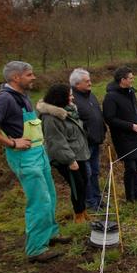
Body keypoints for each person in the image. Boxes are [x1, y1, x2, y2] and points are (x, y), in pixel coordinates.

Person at [0, 61, 69, 263]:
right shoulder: (4, 99)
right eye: (29, 74)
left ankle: (50, 234)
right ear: (16, 77)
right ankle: (36, 249)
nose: (33, 77)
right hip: (25, 157)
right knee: (39, 201)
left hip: (38, 153)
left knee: (50, 196)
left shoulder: (22, 97)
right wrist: (11, 142)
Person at [37, 84, 91, 223]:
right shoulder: (50, 118)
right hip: (67, 159)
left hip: (79, 154)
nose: (73, 97)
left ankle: (83, 211)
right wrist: (70, 161)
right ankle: (78, 215)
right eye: (70, 95)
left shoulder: (70, 110)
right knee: (76, 185)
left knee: (83, 182)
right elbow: (56, 142)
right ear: (61, 98)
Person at [102, 66, 137, 202]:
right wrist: (130, 126)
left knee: (136, 164)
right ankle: (130, 197)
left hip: (136, 135)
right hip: (122, 138)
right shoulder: (111, 97)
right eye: (130, 78)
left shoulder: (130, 93)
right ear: (122, 80)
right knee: (130, 167)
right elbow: (109, 119)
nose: (132, 80)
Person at [70, 68, 106, 211]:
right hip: (83, 145)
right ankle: (90, 202)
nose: (90, 83)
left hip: (96, 142)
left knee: (95, 172)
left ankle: (97, 199)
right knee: (87, 173)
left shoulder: (90, 96)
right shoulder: (73, 99)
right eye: (87, 81)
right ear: (77, 84)